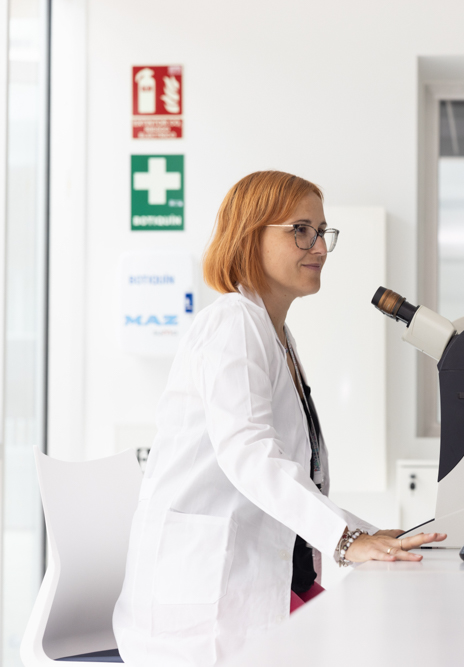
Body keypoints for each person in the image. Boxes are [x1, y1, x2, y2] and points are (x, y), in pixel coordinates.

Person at [112, 171, 445, 666]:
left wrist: (367, 533)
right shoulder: (233, 322)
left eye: (322, 232)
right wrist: (347, 540)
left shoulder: (276, 334)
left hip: (264, 581)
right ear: (250, 234)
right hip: (205, 605)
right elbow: (248, 454)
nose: (320, 247)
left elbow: (294, 477)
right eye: (301, 231)